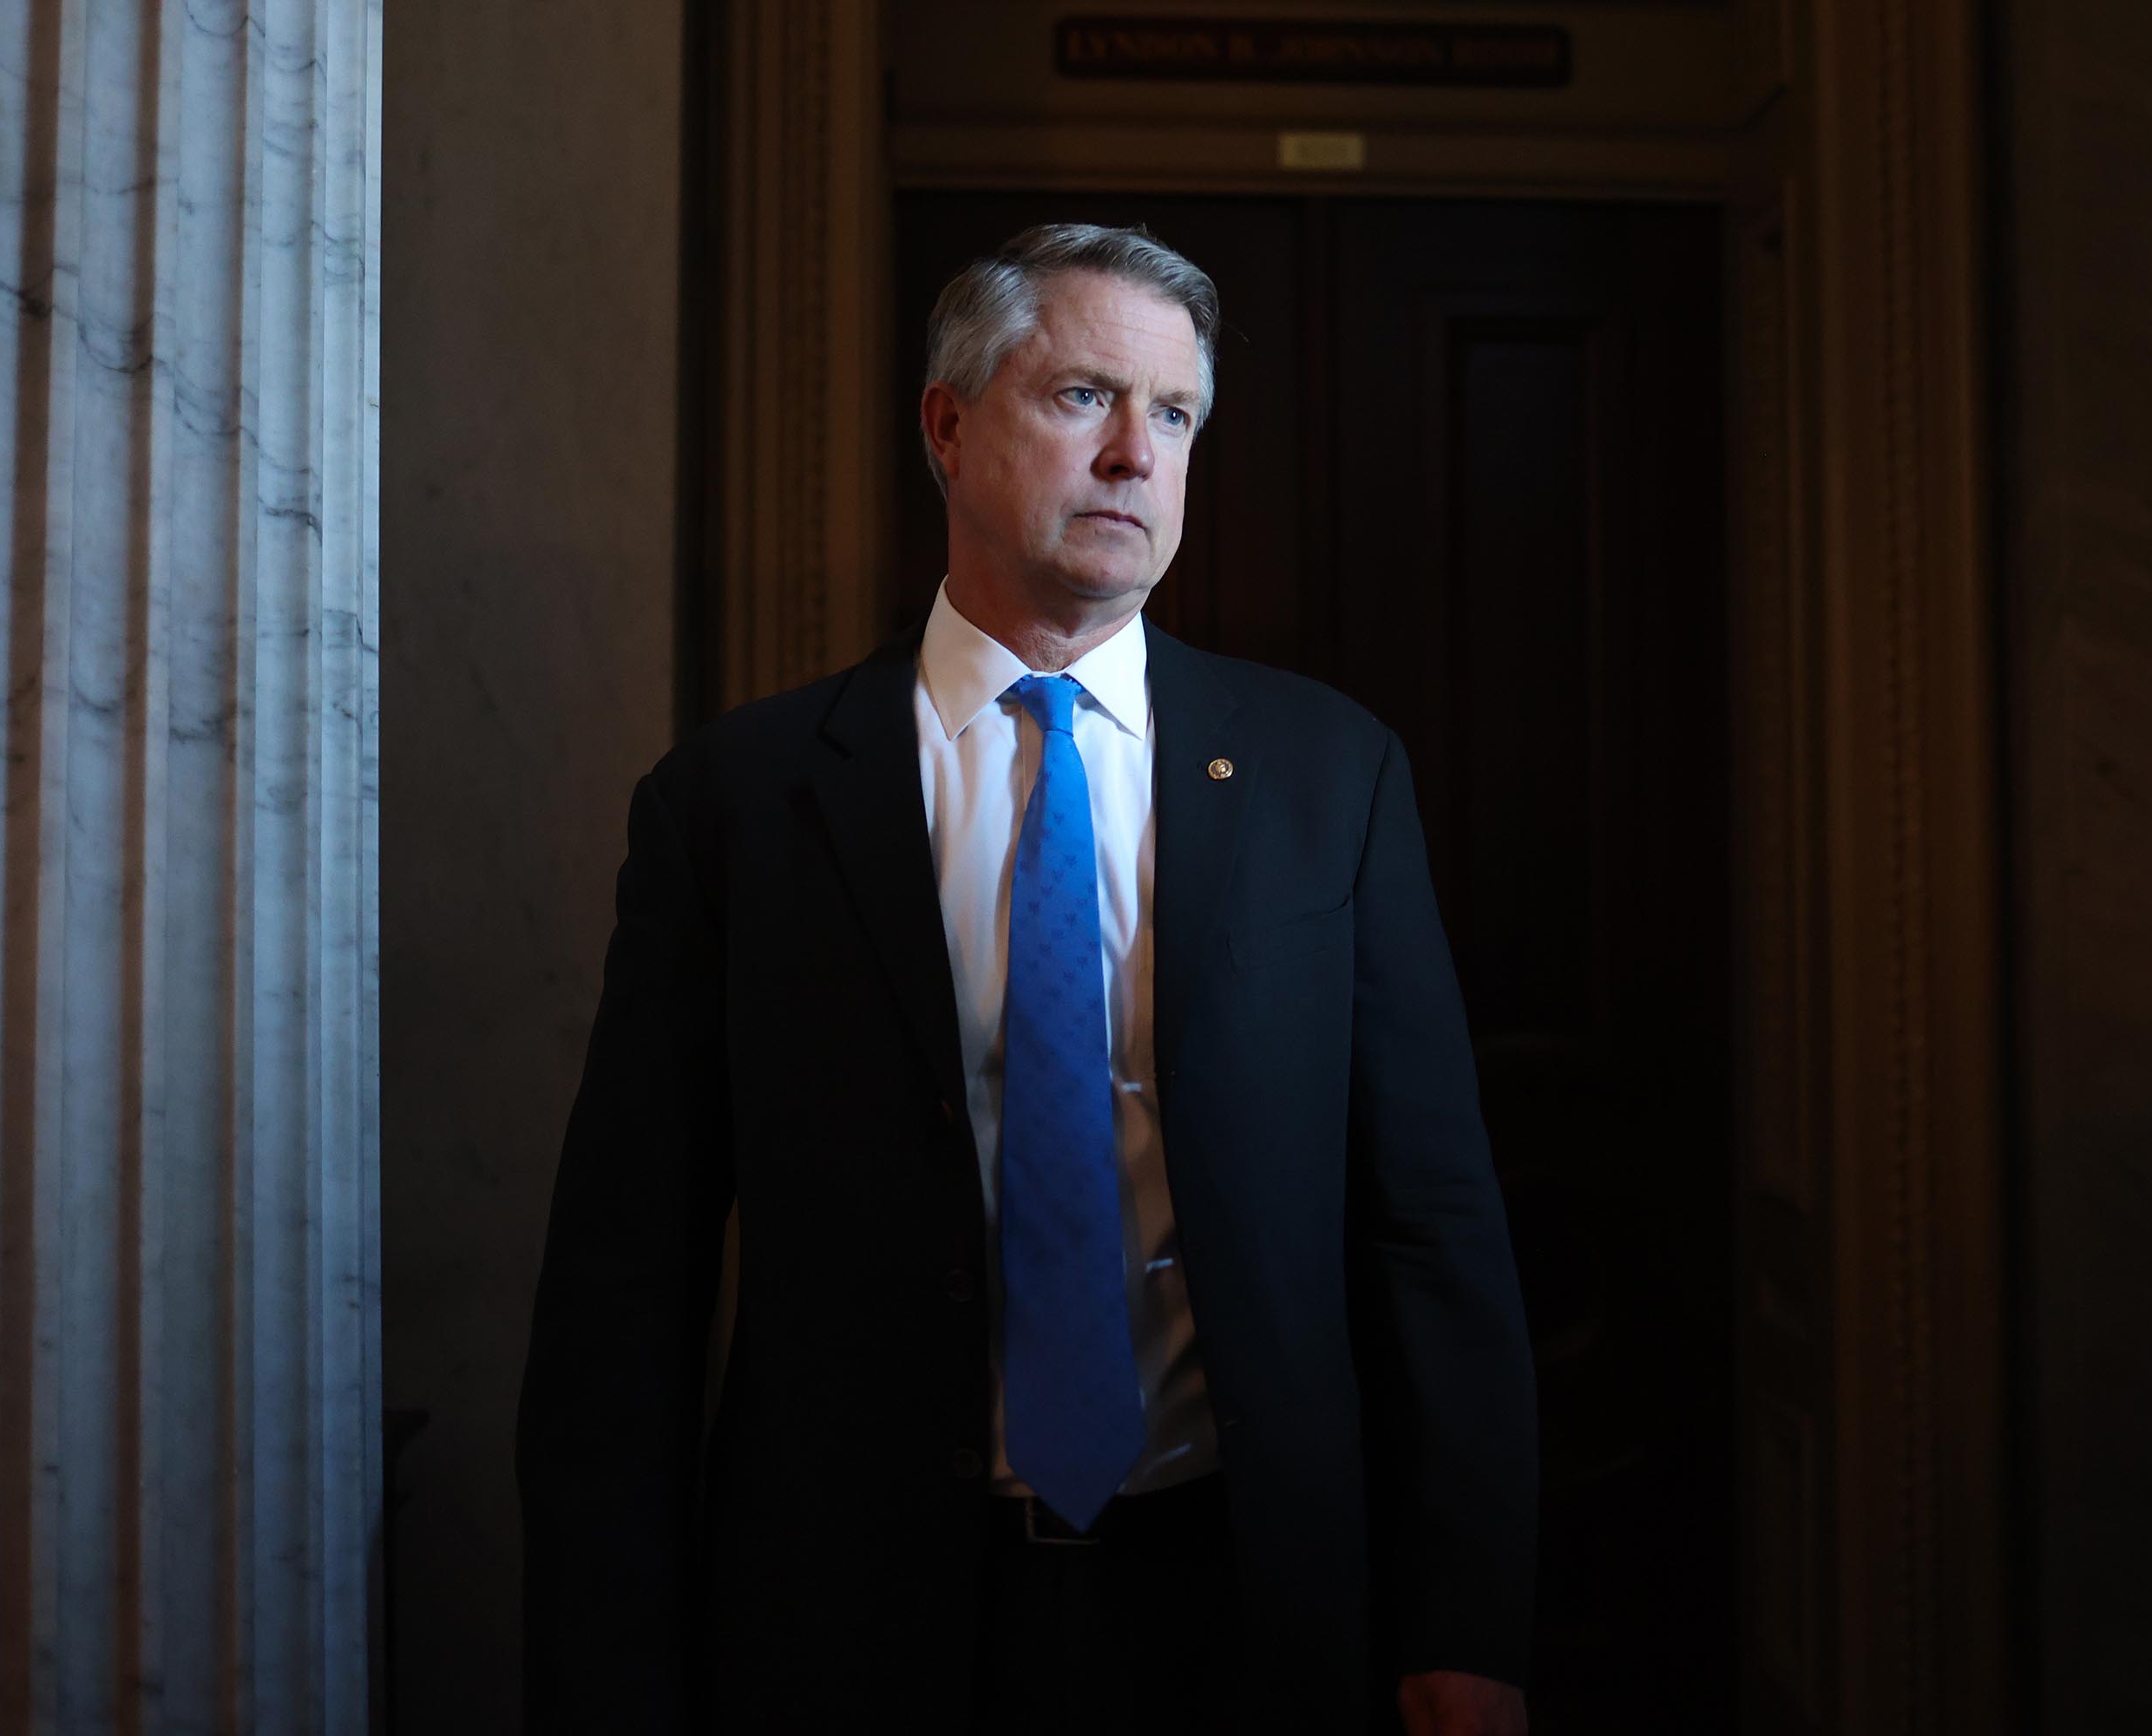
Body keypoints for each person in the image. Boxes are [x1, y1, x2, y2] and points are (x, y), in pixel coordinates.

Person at [517, 223, 1538, 1734]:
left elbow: (1432, 1229)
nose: (1137, 454)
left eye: (1175, 415)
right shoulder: (738, 802)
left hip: (1246, 1602)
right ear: (947, 422)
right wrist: (611, 1675)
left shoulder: (1330, 776)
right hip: (854, 1624)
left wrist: (1466, 1623)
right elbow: (625, 1279)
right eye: (1084, 398)